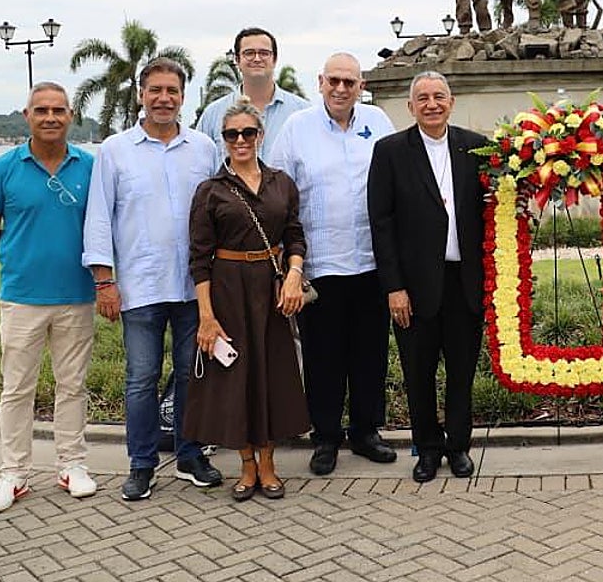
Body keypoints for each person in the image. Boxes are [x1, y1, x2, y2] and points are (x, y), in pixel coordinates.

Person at [83, 58, 223, 501]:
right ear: (141, 94)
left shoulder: (204, 148)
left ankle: (189, 455)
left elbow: (221, 210)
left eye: (173, 91)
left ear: (183, 97)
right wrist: (104, 281)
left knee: (190, 375)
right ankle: (141, 464)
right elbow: (99, 216)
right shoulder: (115, 149)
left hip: (193, 288)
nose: (164, 98)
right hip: (140, 287)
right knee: (141, 379)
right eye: (156, 90)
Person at [269, 53, 397, 476]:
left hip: (371, 261)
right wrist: (288, 265)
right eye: (334, 81)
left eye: (350, 82)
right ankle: (325, 437)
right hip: (318, 267)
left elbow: (395, 180)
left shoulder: (378, 121)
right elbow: (280, 196)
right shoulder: (296, 128)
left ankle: (365, 432)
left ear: (361, 85)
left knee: (370, 354)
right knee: (324, 357)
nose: (341, 89)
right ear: (320, 82)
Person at [0, 83, 97, 513]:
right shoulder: (4, 168)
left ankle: (72, 465)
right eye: (41, 110)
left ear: (70, 116)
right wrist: (16, 254)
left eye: (59, 110)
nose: (50, 117)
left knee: (72, 385)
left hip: (76, 295)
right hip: (23, 297)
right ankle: (13, 472)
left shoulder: (89, 166)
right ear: (26, 115)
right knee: (16, 389)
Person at [184, 99, 310, 501]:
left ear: (260, 136)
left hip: (273, 289)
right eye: (231, 134)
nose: (240, 140)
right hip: (227, 289)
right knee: (234, 378)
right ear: (222, 140)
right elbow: (199, 258)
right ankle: (246, 465)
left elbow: (294, 234)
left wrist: (293, 276)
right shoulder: (210, 191)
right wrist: (206, 315)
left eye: (247, 133)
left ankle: (269, 464)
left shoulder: (280, 183)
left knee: (271, 373)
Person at [368, 72, 487, 483]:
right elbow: (381, 224)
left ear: (451, 102)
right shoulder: (390, 152)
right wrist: (394, 287)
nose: (432, 104)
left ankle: (458, 448)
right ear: (410, 107)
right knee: (418, 374)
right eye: (423, 98)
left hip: (465, 283)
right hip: (414, 289)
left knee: (461, 372)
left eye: (439, 97)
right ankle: (427, 449)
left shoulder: (476, 147)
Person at [196, 27, 311, 160]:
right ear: (237, 60)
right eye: (249, 53)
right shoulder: (212, 115)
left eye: (264, 53)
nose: (257, 59)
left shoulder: (302, 112)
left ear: (274, 59)